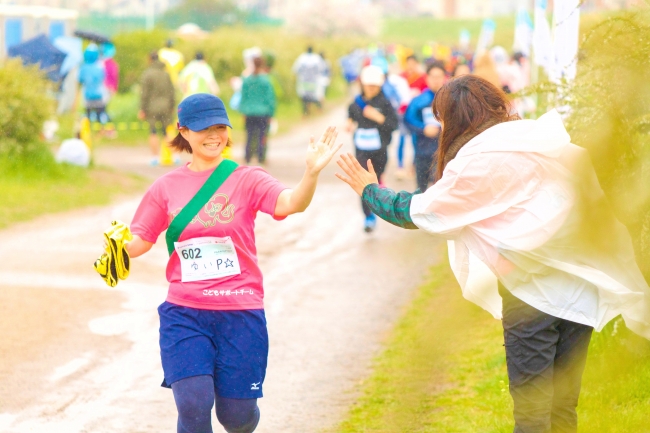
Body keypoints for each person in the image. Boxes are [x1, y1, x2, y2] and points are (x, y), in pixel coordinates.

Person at [335, 74, 650, 433]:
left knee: (532, 414)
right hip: (581, 287)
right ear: (495, 104)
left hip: (532, 296)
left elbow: (418, 212)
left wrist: (369, 190)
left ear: (453, 120)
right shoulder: (538, 138)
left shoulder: (476, 162)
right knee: (563, 406)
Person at [119, 93, 342, 433]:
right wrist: (116, 248)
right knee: (193, 404)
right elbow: (140, 242)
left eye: (220, 127)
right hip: (185, 313)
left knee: (235, 417)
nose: (214, 135)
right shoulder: (165, 188)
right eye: (204, 128)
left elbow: (290, 203)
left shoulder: (247, 179)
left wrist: (310, 173)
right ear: (183, 131)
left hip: (240, 313)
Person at [346, 65, 398, 233]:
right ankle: (368, 217)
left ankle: (381, 191)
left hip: (380, 150)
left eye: (375, 86)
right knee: (364, 183)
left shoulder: (386, 103)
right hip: (361, 150)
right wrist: (349, 123)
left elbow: (394, 124)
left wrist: (379, 118)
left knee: (377, 178)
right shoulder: (356, 103)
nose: (371, 89)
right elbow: (351, 115)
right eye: (368, 85)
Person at [403, 61, 446, 192]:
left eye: (439, 77)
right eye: (433, 77)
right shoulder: (418, 101)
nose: (436, 80)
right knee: (420, 190)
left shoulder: (449, 100)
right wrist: (423, 129)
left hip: (443, 152)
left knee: (440, 190)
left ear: (444, 78)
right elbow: (408, 120)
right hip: (422, 151)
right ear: (427, 78)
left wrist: (442, 129)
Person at [139, 51, 176, 165]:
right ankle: (173, 155)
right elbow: (172, 91)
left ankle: (155, 158)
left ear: (150, 59)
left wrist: (142, 108)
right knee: (166, 131)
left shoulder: (147, 74)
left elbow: (144, 93)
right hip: (166, 106)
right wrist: (172, 105)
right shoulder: (166, 74)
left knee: (153, 132)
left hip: (152, 108)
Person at [239, 57, 276, 165]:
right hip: (263, 113)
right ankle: (261, 157)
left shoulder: (247, 80)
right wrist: (271, 113)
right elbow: (270, 98)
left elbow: (243, 97)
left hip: (249, 112)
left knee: (249, 135)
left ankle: (247, 157)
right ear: (262, 65)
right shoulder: (266, 81)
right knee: (262, 135)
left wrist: (243, 111)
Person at [78, 44, 109, 133]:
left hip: (87, 95)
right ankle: (101, 131)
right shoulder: (99, 67)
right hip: (99, 94)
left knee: (88, 115)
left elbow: (80, 79)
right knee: (100, 113)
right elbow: (103, 78)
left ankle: (88, 132)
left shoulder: (83, 67)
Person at [292, 46, 326, 117]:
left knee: (304, 97)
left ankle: (305, 112)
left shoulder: (301, 58)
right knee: (314, 96)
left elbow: (295, 69)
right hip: (314, 81)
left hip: (303, 81)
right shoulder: (316, 58)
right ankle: (319, 108)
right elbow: (321, 69)